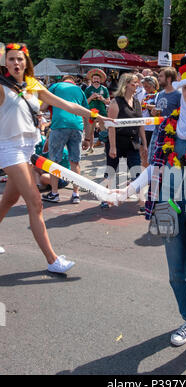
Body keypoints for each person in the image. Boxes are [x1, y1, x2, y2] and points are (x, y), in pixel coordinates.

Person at [111, 45, 186, 349]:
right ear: (181, 89)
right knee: (176, 275)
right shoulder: (168, 124)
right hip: (168, 206)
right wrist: (126, 189)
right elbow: (154, 166)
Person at [0, 43, 111, 272]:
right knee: (35, 201)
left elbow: (67, 104)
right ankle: (52, 261)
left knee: (9, 200)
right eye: (11, 59)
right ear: (5, 63)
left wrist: (95, 115)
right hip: (9, 148)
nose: (16, 63)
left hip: (29, 148)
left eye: (20, 59)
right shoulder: (1, 86)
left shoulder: (33, 85)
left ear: (26, 62)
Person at [41, 75, 90, 204]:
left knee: (54, 161)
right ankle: (76, 194)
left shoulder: (55, 86)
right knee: (75, 161)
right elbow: (86, 114)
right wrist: (88, 138)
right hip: (77, 126)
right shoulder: (80, 90)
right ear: (73, 82)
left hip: (60, 125)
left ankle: (54, 193)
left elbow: (43, 106)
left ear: (63, 80)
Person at [106, 73, 147, 206]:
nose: (136, 85)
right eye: (133, 83)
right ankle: (105, 198)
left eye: (137, 82)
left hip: (133, 142)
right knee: (111, 171)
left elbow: (140, 124)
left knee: (137, 172)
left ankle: (142, 202)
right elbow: (111, 126)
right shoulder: (115, 102)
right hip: (117, 141)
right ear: (126, 85)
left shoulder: (136, 102)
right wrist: (112, 147)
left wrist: (144, 144)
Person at [148, 67, 181, 163]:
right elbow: (158, 113)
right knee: (152, 160)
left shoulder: (178, 95)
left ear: (169, 79)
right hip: (157, 131)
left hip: (170, 135)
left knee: (165, 162)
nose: (158, 78)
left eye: (161, 76)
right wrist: (153, 113)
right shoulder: (160, 94)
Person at [84, 69, 110, 152]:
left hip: (102, 111)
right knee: (91, 131)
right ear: (92, 80)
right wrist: (91, 97)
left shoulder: (104, 89)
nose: (96, 80)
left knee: (104, 130)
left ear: (100, 80)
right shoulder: (88, 89)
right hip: (91, 112)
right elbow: (85, 102)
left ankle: (107, 147)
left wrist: (102, 99)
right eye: (94, 79)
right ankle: (91, 147)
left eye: (97, 79)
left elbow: (108, 101)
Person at [140, 76, 159, 168]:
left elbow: (158, 108)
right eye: (144, 86)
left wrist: (146, 105)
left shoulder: (157, 95)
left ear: (154, 85)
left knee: (148, 152)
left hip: (151, 127)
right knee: (142, 152)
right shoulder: (145, 95)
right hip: (143, 126)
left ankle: (147, 174)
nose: (145, 88)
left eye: (147, 86)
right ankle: (143, 173)